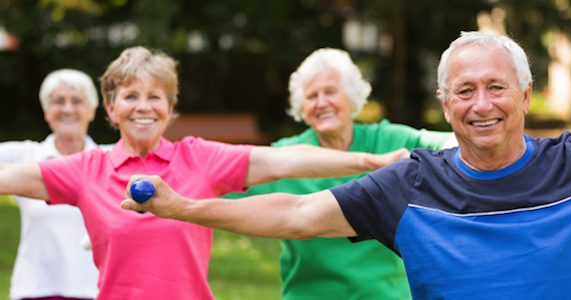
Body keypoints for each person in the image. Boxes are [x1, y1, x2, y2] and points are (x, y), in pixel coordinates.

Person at [121, 31, 571, 300]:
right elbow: (297, 213)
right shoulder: (411, 185)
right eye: (465, 91)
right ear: (445, 103)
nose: (481, 104)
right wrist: (182, 206)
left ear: (524, 95)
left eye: (496, 88)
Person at [0, 46, 408, 300]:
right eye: (130, 96)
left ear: (170, 107)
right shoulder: (86, 170)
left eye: (155, 96)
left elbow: (283, 160)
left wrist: (369, 162)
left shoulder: (197, 158)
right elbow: (10, 177)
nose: (144, 106)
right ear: (110, 109)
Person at [229, 48, 455, 300]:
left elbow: (448, 142)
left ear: (351, 97)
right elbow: (223, 177)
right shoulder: (285, 157)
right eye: (312, 95)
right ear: (301, 107)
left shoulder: (388, 140)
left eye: (330, 92)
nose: (321, 102)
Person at [0, 69, 100, 300]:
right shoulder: (26, 154)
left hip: (96, 290)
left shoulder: (108, 158)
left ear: (92, 110)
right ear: (47, 112)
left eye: (77, 101)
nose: (67, 108)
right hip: (35, 290)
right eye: (58, 101)